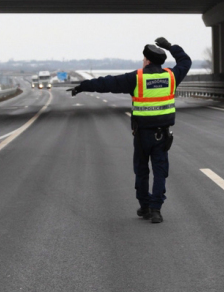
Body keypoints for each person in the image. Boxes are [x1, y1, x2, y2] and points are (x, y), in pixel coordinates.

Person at [67, 37, 192, 224]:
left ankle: (145, 206)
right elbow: (186, 61)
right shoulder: (171, 77)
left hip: (142, 135)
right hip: (162, 135)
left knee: (141, 171)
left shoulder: (137, 78)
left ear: (148, 61)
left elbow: (106, 83)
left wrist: (82, 87)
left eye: (143, 59)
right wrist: (171, 47)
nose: (143, 62)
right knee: (160, 172)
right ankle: (156, 210)